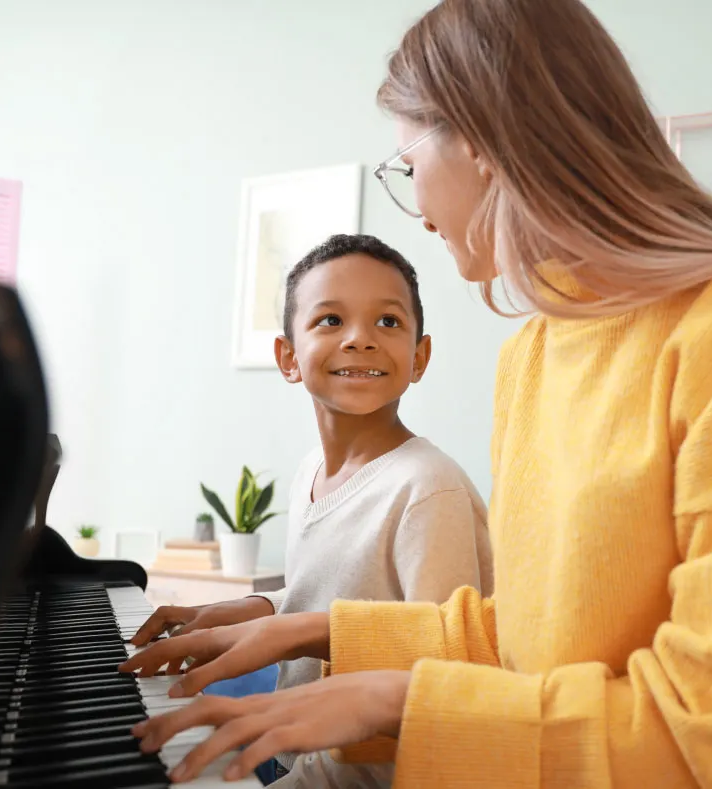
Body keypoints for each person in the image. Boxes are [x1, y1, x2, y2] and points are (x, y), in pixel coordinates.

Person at [119, 0, 712, 786]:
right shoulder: (534, 353)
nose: (413, 201)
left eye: (407, 161)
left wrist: (401, 703)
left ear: (482, 142)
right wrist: (309, 628)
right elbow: (536, 639)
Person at [127, 233, 493, 787]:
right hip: (293, 750)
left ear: (419, 357)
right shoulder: (309, 475)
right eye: (329, 320)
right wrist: (246, 608)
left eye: (388, 322)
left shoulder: (428, 489)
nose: (359, 340)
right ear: (288, 357)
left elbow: (439, 676)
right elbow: (339, 595)